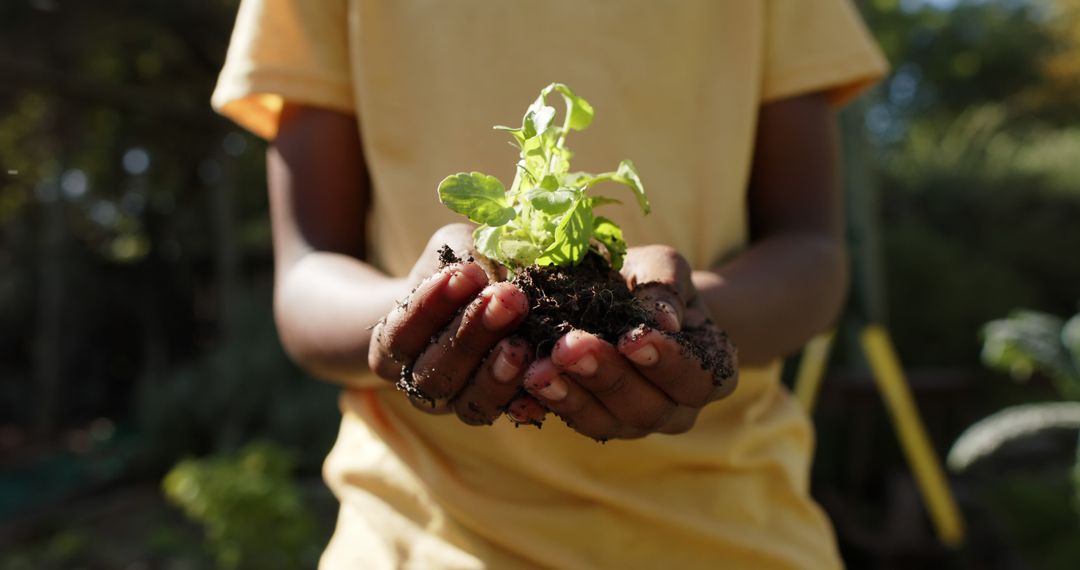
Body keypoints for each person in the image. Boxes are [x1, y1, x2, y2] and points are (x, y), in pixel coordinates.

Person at [212, 1, 887, 568]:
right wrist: (417, 317)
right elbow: (306, 276)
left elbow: (811, 253)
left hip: (740, 531)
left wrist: (686, 323)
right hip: (420, 536)